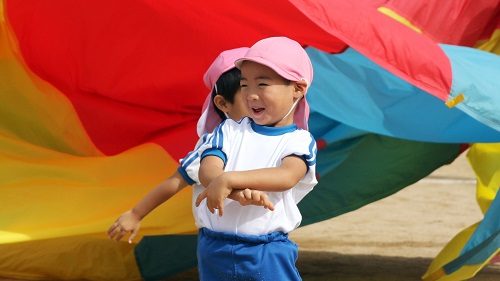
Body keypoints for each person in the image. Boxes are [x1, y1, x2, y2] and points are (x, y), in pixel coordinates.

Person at [106, 47, 273, 244]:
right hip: (221, 242)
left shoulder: (279, 137)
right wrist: (136, 214)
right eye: (246, 91)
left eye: (264, 88)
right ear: (223, 104)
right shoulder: (217, 142)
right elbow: (176, 181)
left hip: (269, 240)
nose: (257, 100)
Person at [191, 36, 318, 280]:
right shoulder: (228, 130)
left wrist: (229, 180)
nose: (250, 94)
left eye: (262, 84)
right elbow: (209, 169)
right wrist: (234, 190)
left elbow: (287, 175)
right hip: (213, 246)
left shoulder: (299, 141)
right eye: (245, 85)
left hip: (266, 250)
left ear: (298, 89)